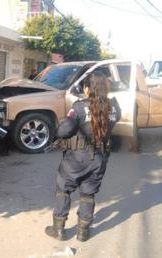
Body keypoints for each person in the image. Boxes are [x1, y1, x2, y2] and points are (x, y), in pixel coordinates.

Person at [45, 71, 121, 242]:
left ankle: (58, 229)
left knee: (63, 190)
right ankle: (83, 232)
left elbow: (64, 131)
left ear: (88, 89)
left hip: (76, 159)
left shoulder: (79, 107)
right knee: (88, 194)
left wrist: (59, 127)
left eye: (85, 87)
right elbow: (112, 123)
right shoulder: (114, 107)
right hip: (100, 159)